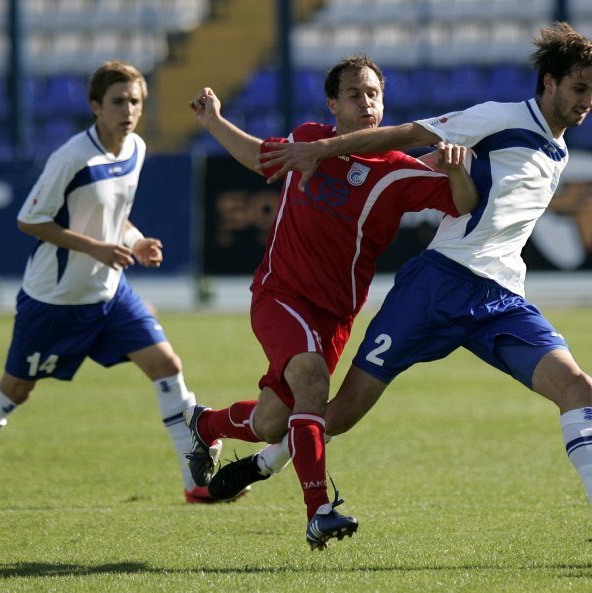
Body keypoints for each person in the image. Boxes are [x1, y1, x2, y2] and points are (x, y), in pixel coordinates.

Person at [214, 22, 592, 559]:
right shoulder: (498, 118)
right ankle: (265, 461)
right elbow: (405, 136)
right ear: (549, 83)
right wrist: (327, 151)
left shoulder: (560, 155)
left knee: (578, 387)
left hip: (500, 300)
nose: (588, 101)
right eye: (580, 89)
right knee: (338, 413)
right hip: (435, 287)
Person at [187, 54, 478, 549]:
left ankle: (206, 422)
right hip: (280, 293)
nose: (366, 102)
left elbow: (464, 203)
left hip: (335, 314)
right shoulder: (308, 141)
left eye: (373, 94)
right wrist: (213, 120)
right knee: (312, 382)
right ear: (332, 104)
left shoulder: (396, 171)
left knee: (270, 421)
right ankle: (318, 511)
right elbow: (260, 155)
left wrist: (456, 170)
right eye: (354, 94)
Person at [0, 60, 226, 507]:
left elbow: (115, 216)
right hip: (54, 299)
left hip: (109, 292)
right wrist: (96, 248)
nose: (127, 110)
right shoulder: (72, 158)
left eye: (135, 102)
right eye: (117, 102)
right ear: (95, 106)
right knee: (16, 389)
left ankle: (194, 479)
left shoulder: (136, 150)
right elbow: (30, 220)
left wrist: (136, 240)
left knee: (167, 365)